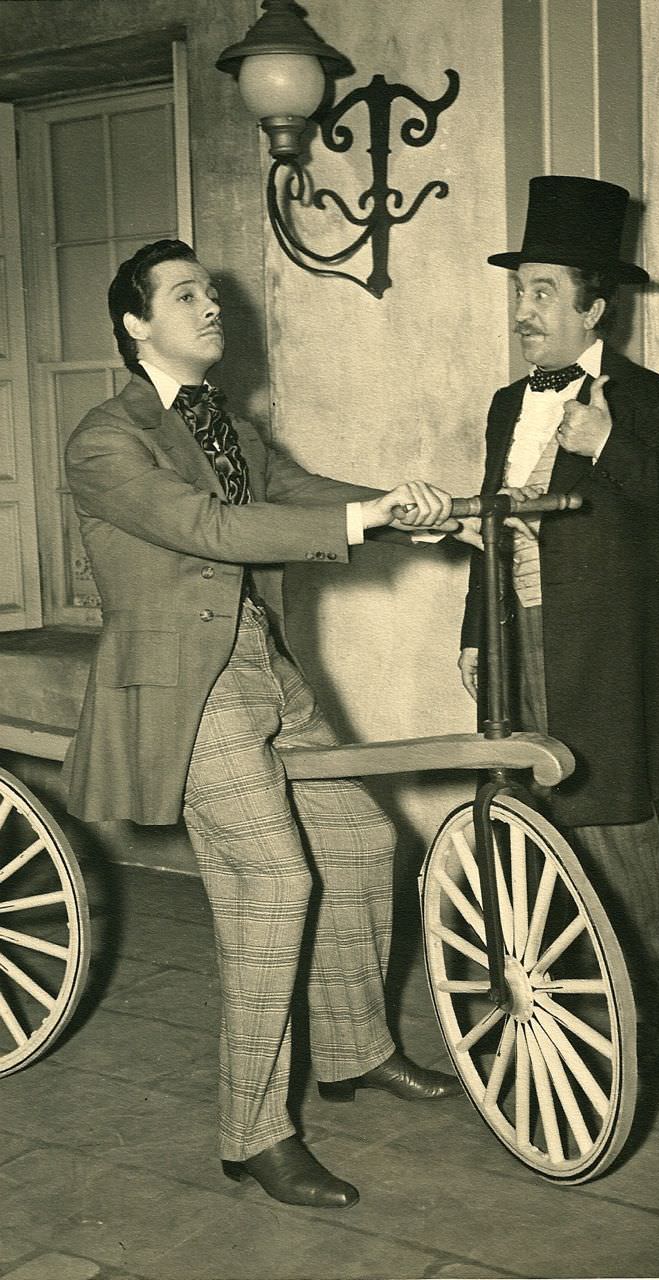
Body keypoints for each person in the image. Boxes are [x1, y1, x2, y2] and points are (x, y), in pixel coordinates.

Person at [63, 238, 462, 1211]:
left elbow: (295, 493)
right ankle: (254, 1134)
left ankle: (354, 1049)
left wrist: (408, 509)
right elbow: (208, 527)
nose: (211, 306)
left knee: (362, 841)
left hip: (263, 664)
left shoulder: (226, 425)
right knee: (272, 882)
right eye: (185, 295)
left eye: (211, 292)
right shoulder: (105, 439)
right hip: (184, 686)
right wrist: (366, 521)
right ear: (134, 324)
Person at [459, 176, 659, 1067]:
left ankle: (635, 1042)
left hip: (609, 661)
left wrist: (607, 445)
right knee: (521, 836)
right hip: (516, 651)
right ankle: (539, 1027)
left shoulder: (654, 400)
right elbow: (489, 526)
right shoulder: (506, 405)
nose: (522, 311)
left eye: (543, 292)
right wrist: (474, 631)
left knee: (616, 839)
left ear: (594, 308)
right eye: (518, 290)